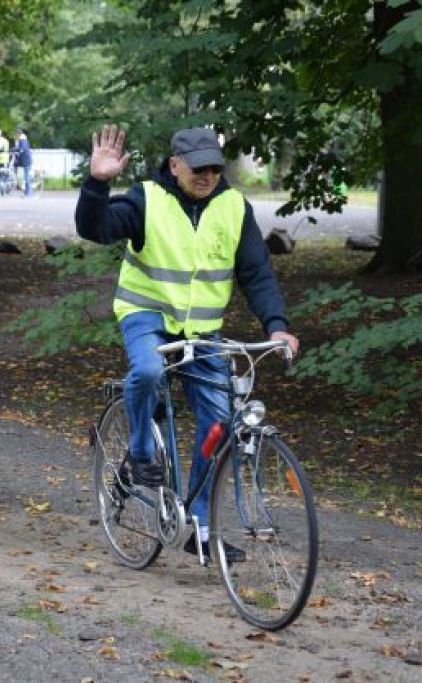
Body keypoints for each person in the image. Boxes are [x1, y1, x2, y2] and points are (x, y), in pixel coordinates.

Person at [75, 124, 299, 560]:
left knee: (220, 424)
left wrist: (276, 325)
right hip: (147, 317)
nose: (207, 175)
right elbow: (95, 228)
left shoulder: (234, 207)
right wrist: (98, 183)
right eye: (198, 167)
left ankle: (197, 524)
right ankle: (141, 450)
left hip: (201, 333)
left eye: (214, 167)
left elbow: (256, 274)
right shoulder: (147, 199)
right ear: (174, 165)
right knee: (148, 370)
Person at [13, 128, 34, 197]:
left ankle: (28, 193)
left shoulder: (23, 140)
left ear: (18, 134)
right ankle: (26, 192)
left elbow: (22, 149)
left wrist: (16, 150)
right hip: (24, 160)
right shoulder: (21, 140)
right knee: (25, 176)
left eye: (15, 135)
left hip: (26, 161)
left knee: (26, 177)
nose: (14, 136)